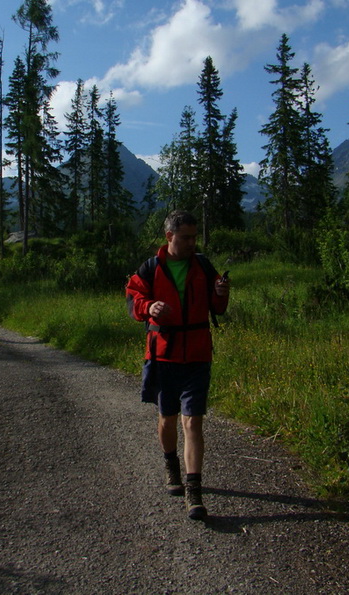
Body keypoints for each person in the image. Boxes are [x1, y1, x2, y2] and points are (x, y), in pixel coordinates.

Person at [125, 210, 230, 520]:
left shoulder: (203, 265)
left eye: (194, 237)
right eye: (186, 237)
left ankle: (194, 491)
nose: (191, 243)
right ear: (169, 236)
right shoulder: (150, 268)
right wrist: (149, 306)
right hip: (163, 355)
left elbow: (217, 307)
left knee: (192, 421)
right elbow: (132, 300)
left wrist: (221, 293)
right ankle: (171, 465)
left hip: (197, 354)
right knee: (167, 419)